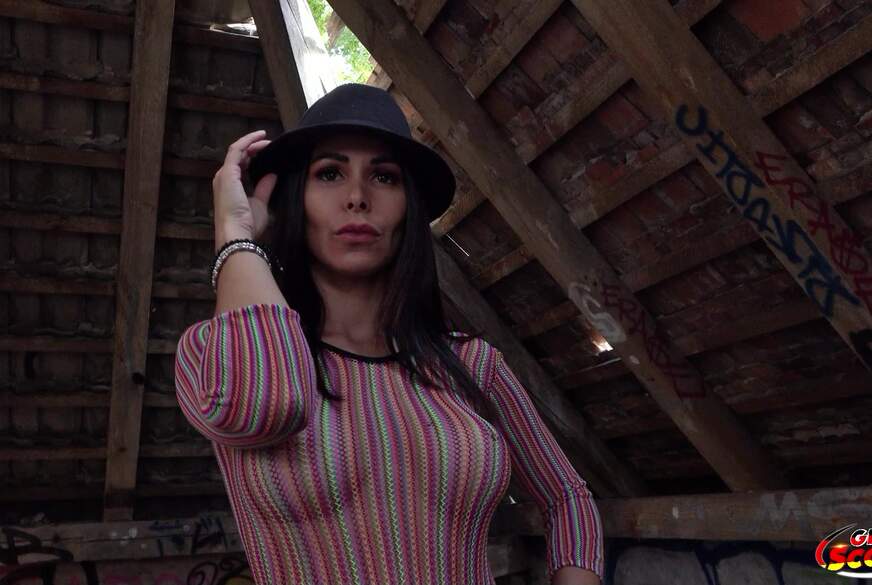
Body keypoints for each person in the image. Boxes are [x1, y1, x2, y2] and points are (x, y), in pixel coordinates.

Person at [174, 83, 604, 585]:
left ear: (408, 208)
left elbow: (567, 498)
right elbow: (265, 407)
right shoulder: (210, 354)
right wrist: (236, 235)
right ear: (295, 199)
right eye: (329, 173)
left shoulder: (473, 364)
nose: (358, 197)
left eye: (384, 176)